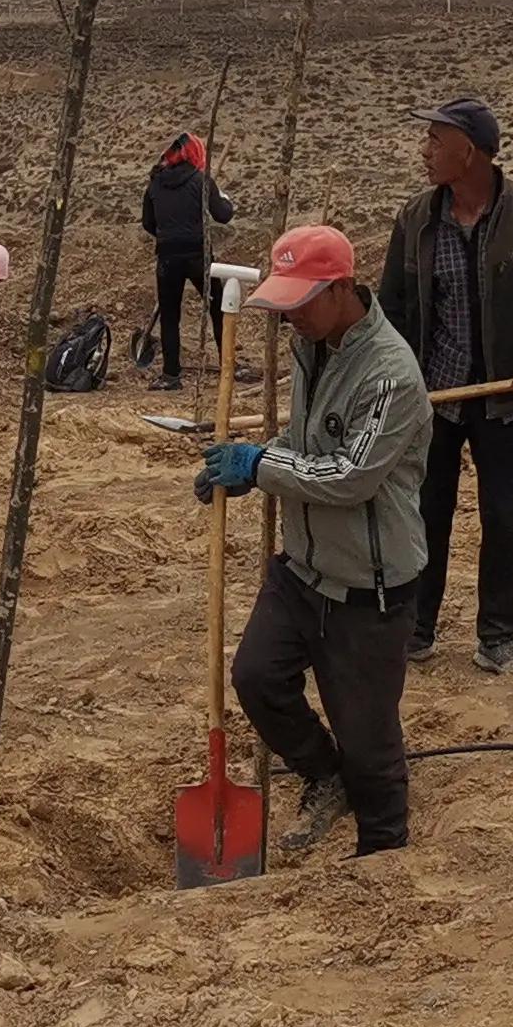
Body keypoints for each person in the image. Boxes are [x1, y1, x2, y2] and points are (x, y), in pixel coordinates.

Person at [204, 224, 432, 856]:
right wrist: (249, 463)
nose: (289, 317)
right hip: (301, 571)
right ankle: (324, 776)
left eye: (299, 302)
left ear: (340, 290)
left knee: (370, 741)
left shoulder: (391, 374)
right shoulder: (313, 348)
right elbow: (309, 451)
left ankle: (383, 853)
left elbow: (351, 476)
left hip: (369, 588)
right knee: (256, 678)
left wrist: (260, 466)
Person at [372, 97, 513, 680]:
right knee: (422, 514)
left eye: (436, 140)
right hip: (430, 400)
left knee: (503, 516)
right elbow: (390, 307)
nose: (425, 150)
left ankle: (498, 636)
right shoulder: (416, 218)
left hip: (504, 399)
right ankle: (415, 629)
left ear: (470, 150)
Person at [141, 130, 235, 389]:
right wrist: (224, 198)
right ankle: (228, 366)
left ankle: (171, 376)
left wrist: (168, 235)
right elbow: (223, 215)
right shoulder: (201, 181)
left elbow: (148, 223)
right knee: (218, 310)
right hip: (199, 255)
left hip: (168, 258)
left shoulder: (155, 183)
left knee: (170, 317)